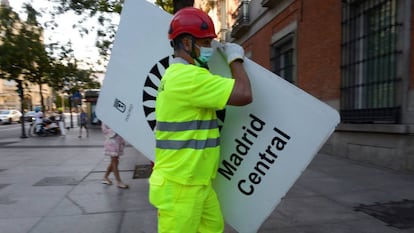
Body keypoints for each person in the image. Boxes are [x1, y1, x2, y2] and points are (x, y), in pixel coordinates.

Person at [149, 7, 252, 233]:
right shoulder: (188, 77)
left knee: (213, 229)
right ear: (187, 43)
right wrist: (235, 59)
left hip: (195, 182)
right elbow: (244, 94)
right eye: (205, 43)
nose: (209, 49)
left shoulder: (176, 75)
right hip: (180, 187)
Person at [101, 123, 129, 189]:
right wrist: (117, 129)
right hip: (112, 143)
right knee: (115, 161)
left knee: (114, 161)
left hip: (118, 142)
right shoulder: (105, 118)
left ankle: (105, 177)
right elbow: (105, 130)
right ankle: (118, 181)